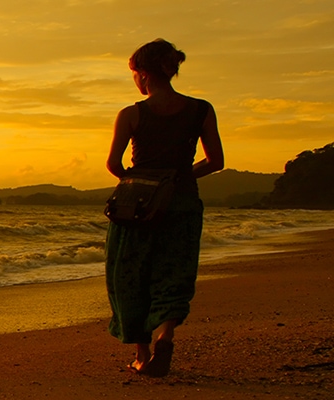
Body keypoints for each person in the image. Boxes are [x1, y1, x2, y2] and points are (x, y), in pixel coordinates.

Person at [104, 39, 224, 377]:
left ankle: (142, 355)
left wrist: (139, 183)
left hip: (137, 207)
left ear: (142, 74)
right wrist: (177, 177)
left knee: (129, 275)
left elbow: (114, 164)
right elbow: (216, 162)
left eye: (134, 74)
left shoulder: (131, 114)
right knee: (174, 273)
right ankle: (165, 335)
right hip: (182, 201)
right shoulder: (201, 109)